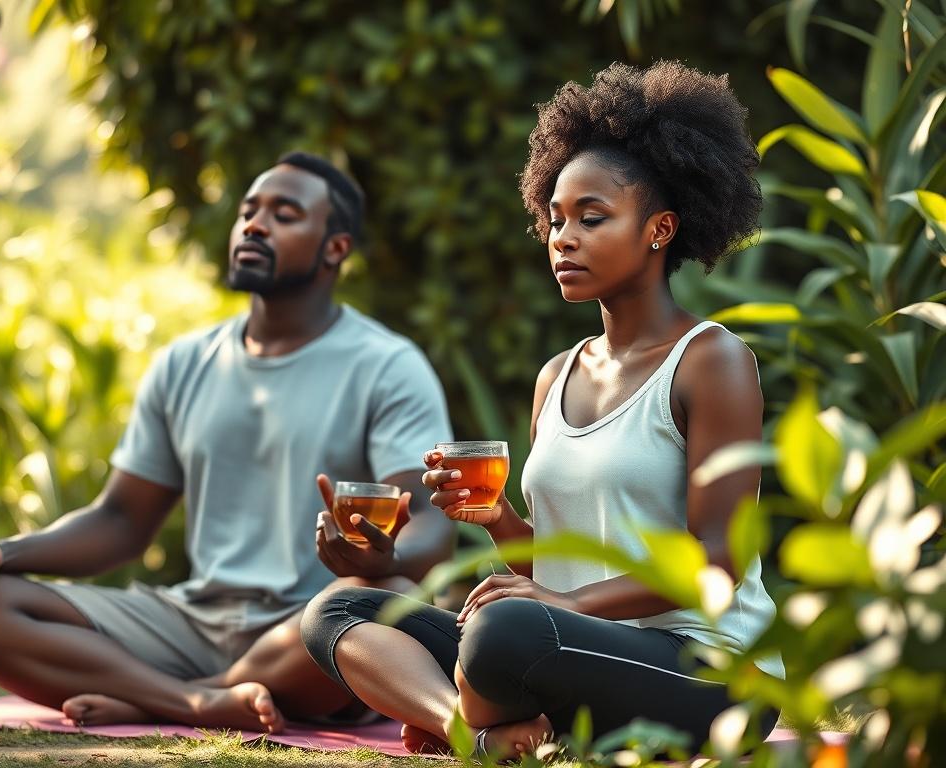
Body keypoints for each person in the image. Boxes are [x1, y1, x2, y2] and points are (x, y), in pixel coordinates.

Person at [300, 61, 784, 759]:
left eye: (593, 218)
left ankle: (482, 717)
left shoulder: (711, 361)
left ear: (660, 229)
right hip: (573, 644)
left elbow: (720, 557)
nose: (564, 238)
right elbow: (557, 570)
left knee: (507, 632)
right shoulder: (556, 376)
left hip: (706, 670)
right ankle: (476, 732)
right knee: (341, 609)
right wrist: (497, 520)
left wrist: (567, 608)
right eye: (554, 220)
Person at [0, 151, 455, 733]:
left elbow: (429, 520)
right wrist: (2, 553)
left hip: (310, 630)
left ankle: (165, 698)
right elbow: (121, 520)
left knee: (389, 598)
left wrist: (387, 557)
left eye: (284, 213)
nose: (253, 225)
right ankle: (194, 702)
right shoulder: (184, 363)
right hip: (190, 621)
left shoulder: (387, 365)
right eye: (249, 211)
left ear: (335, 248)